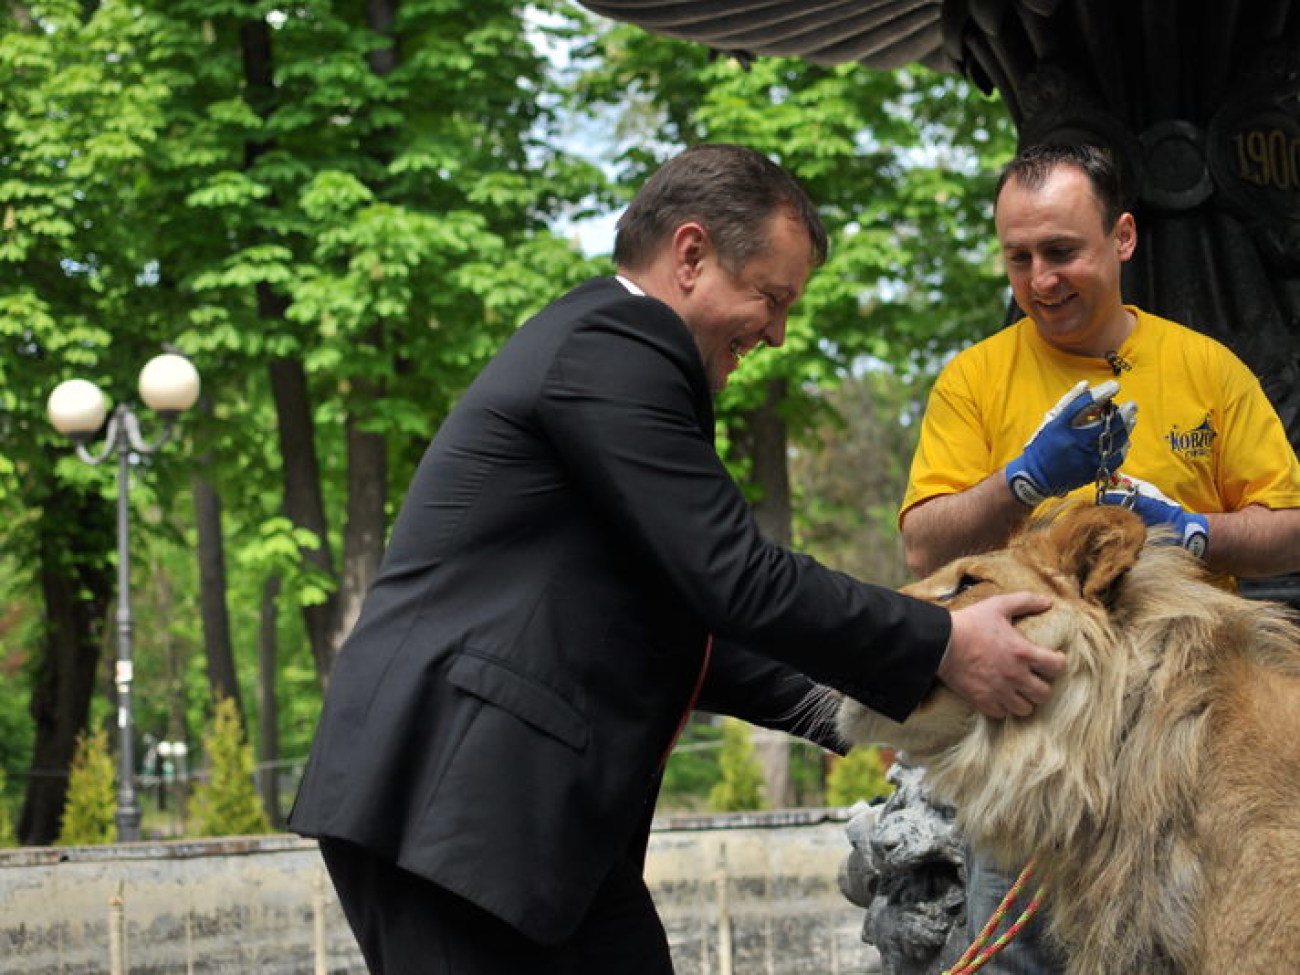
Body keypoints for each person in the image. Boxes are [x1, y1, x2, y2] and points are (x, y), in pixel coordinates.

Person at [287, 143, 1066, 975]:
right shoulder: (615, 340)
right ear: (690, 254)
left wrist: (894, 709)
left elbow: (695, 630)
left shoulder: (610, 359)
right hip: (456, 801)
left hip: (513, 815)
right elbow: (732, 577)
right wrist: (942, 643)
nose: (776, 331)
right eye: (770, 296)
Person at [899, 142, 1300, 972]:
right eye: (1019, 257)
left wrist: (1193, 530)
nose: (1040, 279)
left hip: (1187, 763)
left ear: (1122, 238)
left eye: (1062, 251)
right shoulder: (973, 381)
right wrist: (1020, 481)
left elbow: (1290, 524)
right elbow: (924, 544)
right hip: (1032, 757)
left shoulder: (1205, 368)